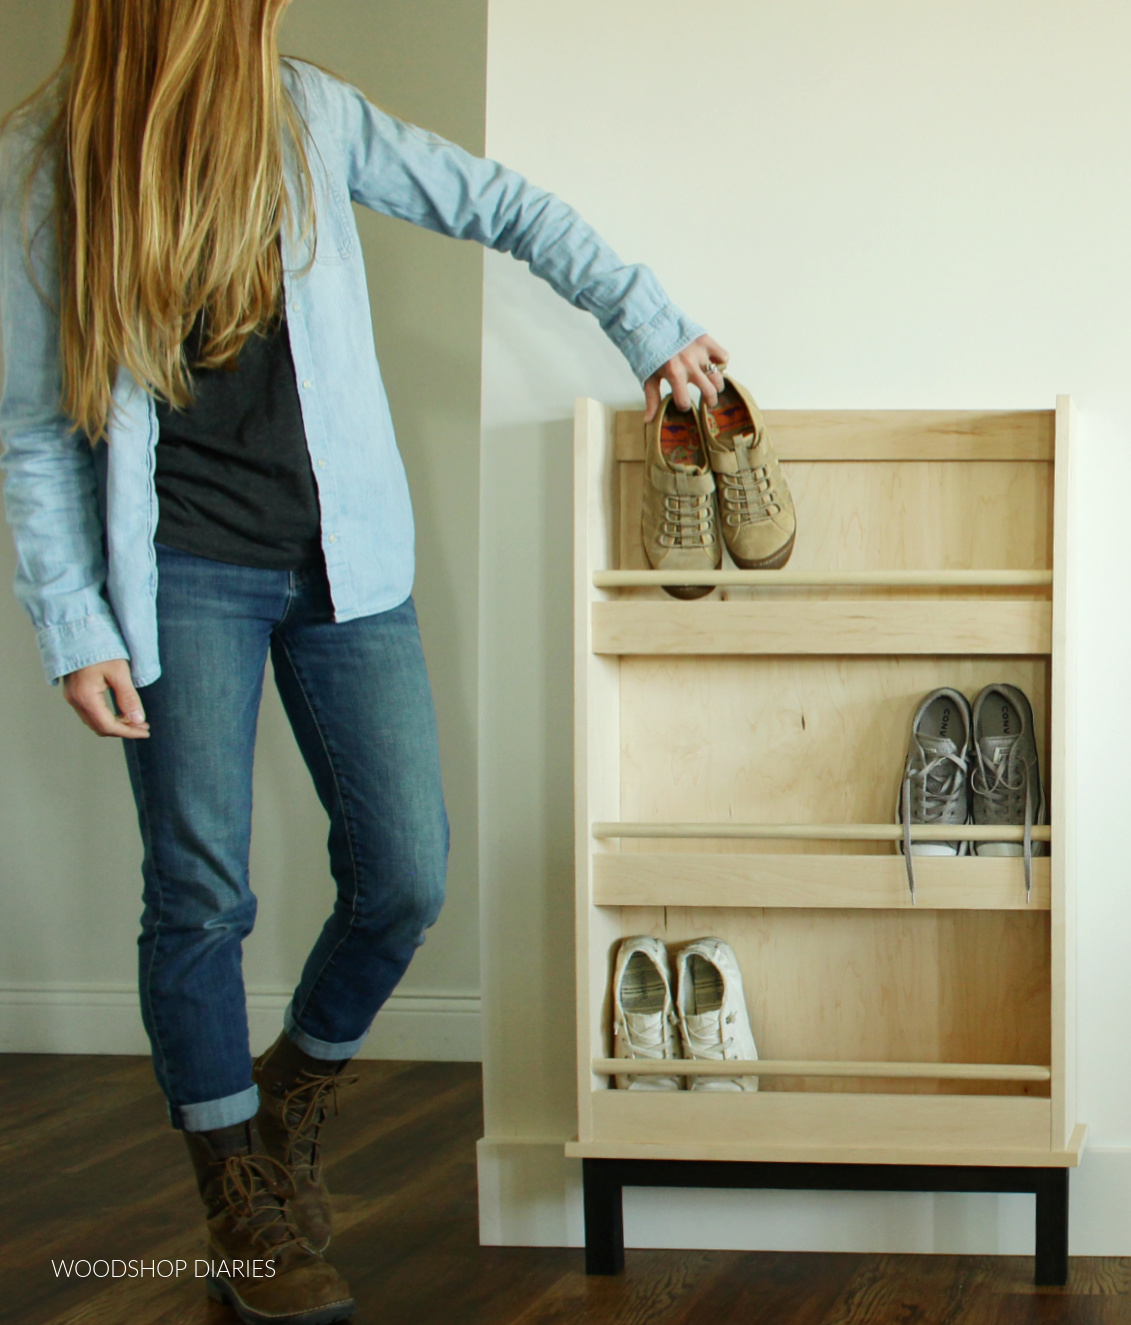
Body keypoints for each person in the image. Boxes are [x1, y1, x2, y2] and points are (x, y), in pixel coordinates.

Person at [0, 3, 728, 1322]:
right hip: (179, 576)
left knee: (405, 873)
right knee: (200, 893)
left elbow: (498, 203)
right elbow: (34, 423)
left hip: (347, 562)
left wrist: (648, 320)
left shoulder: (309, 115)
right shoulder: (54, 158)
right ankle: (239, 1196)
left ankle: (291, 1090)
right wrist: (75, 621)